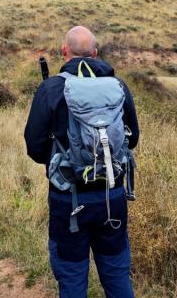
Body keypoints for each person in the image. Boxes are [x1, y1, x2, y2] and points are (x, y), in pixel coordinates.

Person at [25, 26, 139, 298]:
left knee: (72, 278)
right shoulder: (118, 86)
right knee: (117, 276)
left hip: (68, 200)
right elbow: (132, 139)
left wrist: (61, 159)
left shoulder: (51, 88)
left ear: (64, 51)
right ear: (95, 54)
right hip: (112, 196)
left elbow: (34, 146)